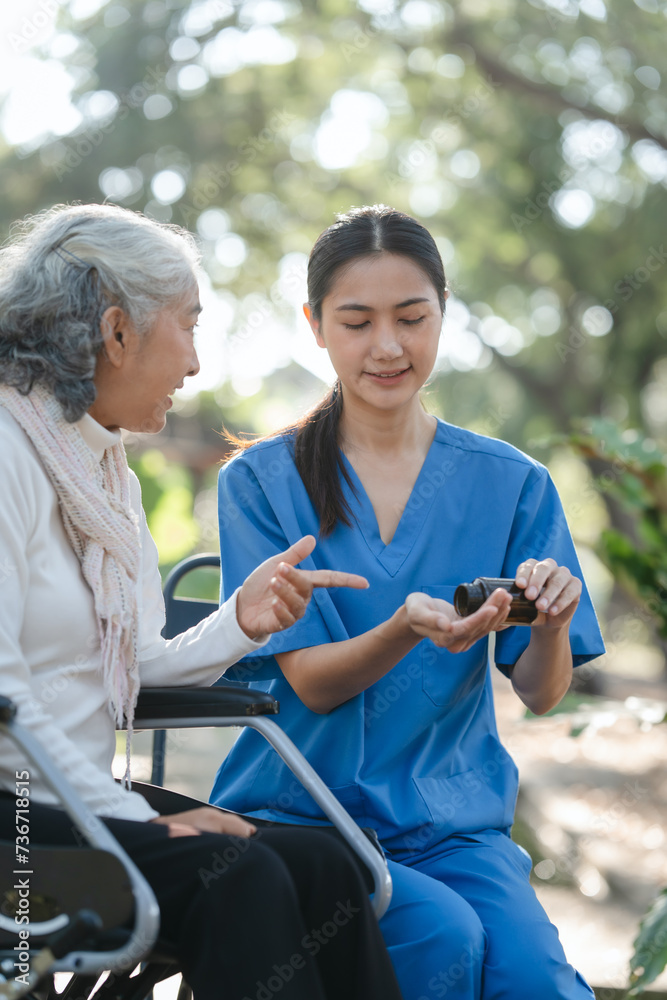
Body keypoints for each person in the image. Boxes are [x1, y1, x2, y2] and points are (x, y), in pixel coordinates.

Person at [0, 203, 404, 1000]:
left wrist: (237, 622)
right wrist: (133, 823)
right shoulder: (9, 454)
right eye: (187, 326)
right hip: (18, 836)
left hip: (67, 803)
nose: (194, 362)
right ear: (116, 333)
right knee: (236, 875)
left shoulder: (99, 470)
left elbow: (132, 661)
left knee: (325, 864)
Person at [210, 204, 606, 1000]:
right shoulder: (259, 482)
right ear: (315, 325)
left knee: (535, 979)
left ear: (442, 317)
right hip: (303, 817)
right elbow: (312, 684)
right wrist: (399, 630)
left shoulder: (512, 482)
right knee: (442, 943)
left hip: (453, 827)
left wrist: (553, 624)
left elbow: (539, 690)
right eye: (356, 321)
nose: (386, 346)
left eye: (411, 318)